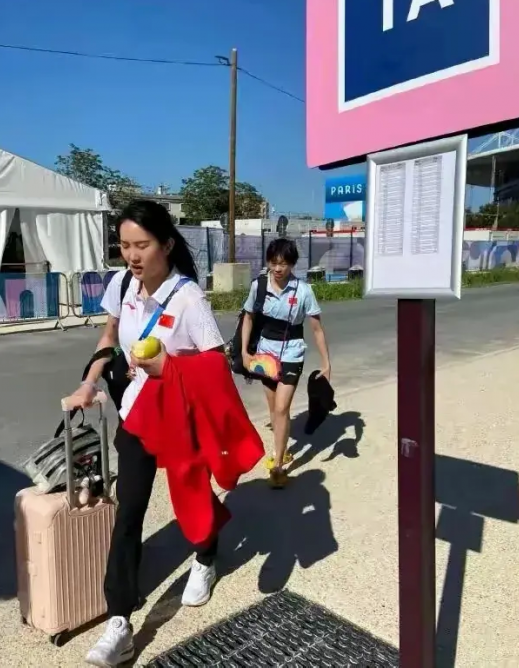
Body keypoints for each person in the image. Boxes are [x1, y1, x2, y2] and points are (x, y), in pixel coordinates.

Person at [66, 199, 226, 668]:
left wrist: (167, 367)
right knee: (129, 512)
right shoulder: (121, 284)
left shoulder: (189, 298)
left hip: (179, 417)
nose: (132, 256)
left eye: (142, 245)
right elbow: (109, 337)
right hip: (136, 416)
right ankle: (119, 623)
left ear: (167, 245)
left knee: (192, 494)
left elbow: (216, 365)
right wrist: (89, 382)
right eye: (124, 245)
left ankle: (206, 556)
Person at [240, 238, 331, 488]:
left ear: (292, 264)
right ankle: (282, 449)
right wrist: (245, 353)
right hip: (265, 355)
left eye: (284, 264)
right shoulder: (258, 286)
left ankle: (278, 466)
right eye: (274, 263)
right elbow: (248, 318)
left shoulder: (303, 291)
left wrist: (326, 363)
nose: (278, 269)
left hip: (292, 353)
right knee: (274, 409)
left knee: (281, 408)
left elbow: (317, 329)